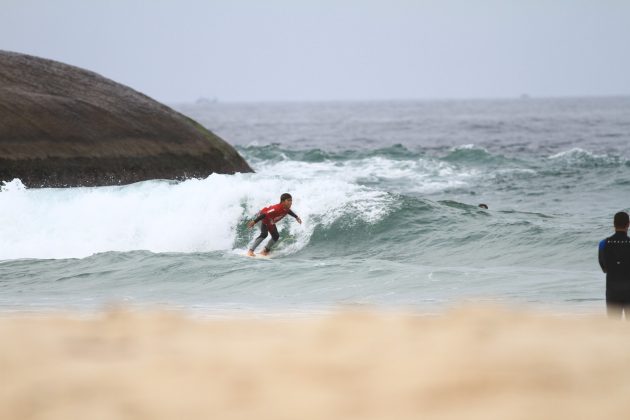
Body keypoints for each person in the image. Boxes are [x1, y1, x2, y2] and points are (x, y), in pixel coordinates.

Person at [598, 211, 630, 319]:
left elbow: (604, 268)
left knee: (613, 328)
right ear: (628, 224)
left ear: (614, 224)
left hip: (612, 291)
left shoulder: (603, 244)